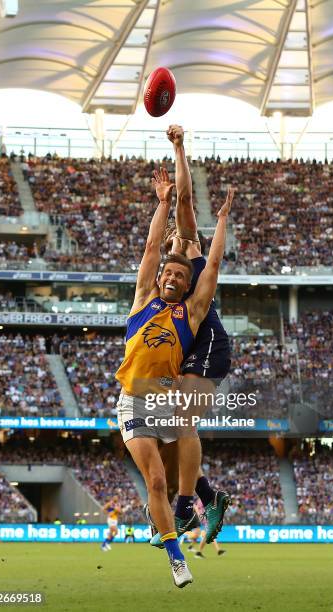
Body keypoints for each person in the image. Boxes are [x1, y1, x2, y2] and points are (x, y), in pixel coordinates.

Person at [115, 167, 234, 588]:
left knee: (183, 434)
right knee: (157, 479)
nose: (171, 276)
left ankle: (185, 504)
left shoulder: (190, 313)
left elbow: (214, 264)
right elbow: (151, 247)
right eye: (168, 272)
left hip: (163, 397)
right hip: (133, 397)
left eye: (180, 276)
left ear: (186, 286)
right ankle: (176, 558)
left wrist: (220, 221)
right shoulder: (143, 299)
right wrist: (162, 201)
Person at [156, 125, 231, 544]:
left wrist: (179, 148)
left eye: (178, 236)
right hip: (190, 353)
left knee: (183, 423)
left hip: (209, 345)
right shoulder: (168, 280)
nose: (174, 238)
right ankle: (208, 494)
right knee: (170, 431)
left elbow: (185, 200)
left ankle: (185, 509)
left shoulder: (192, 254)